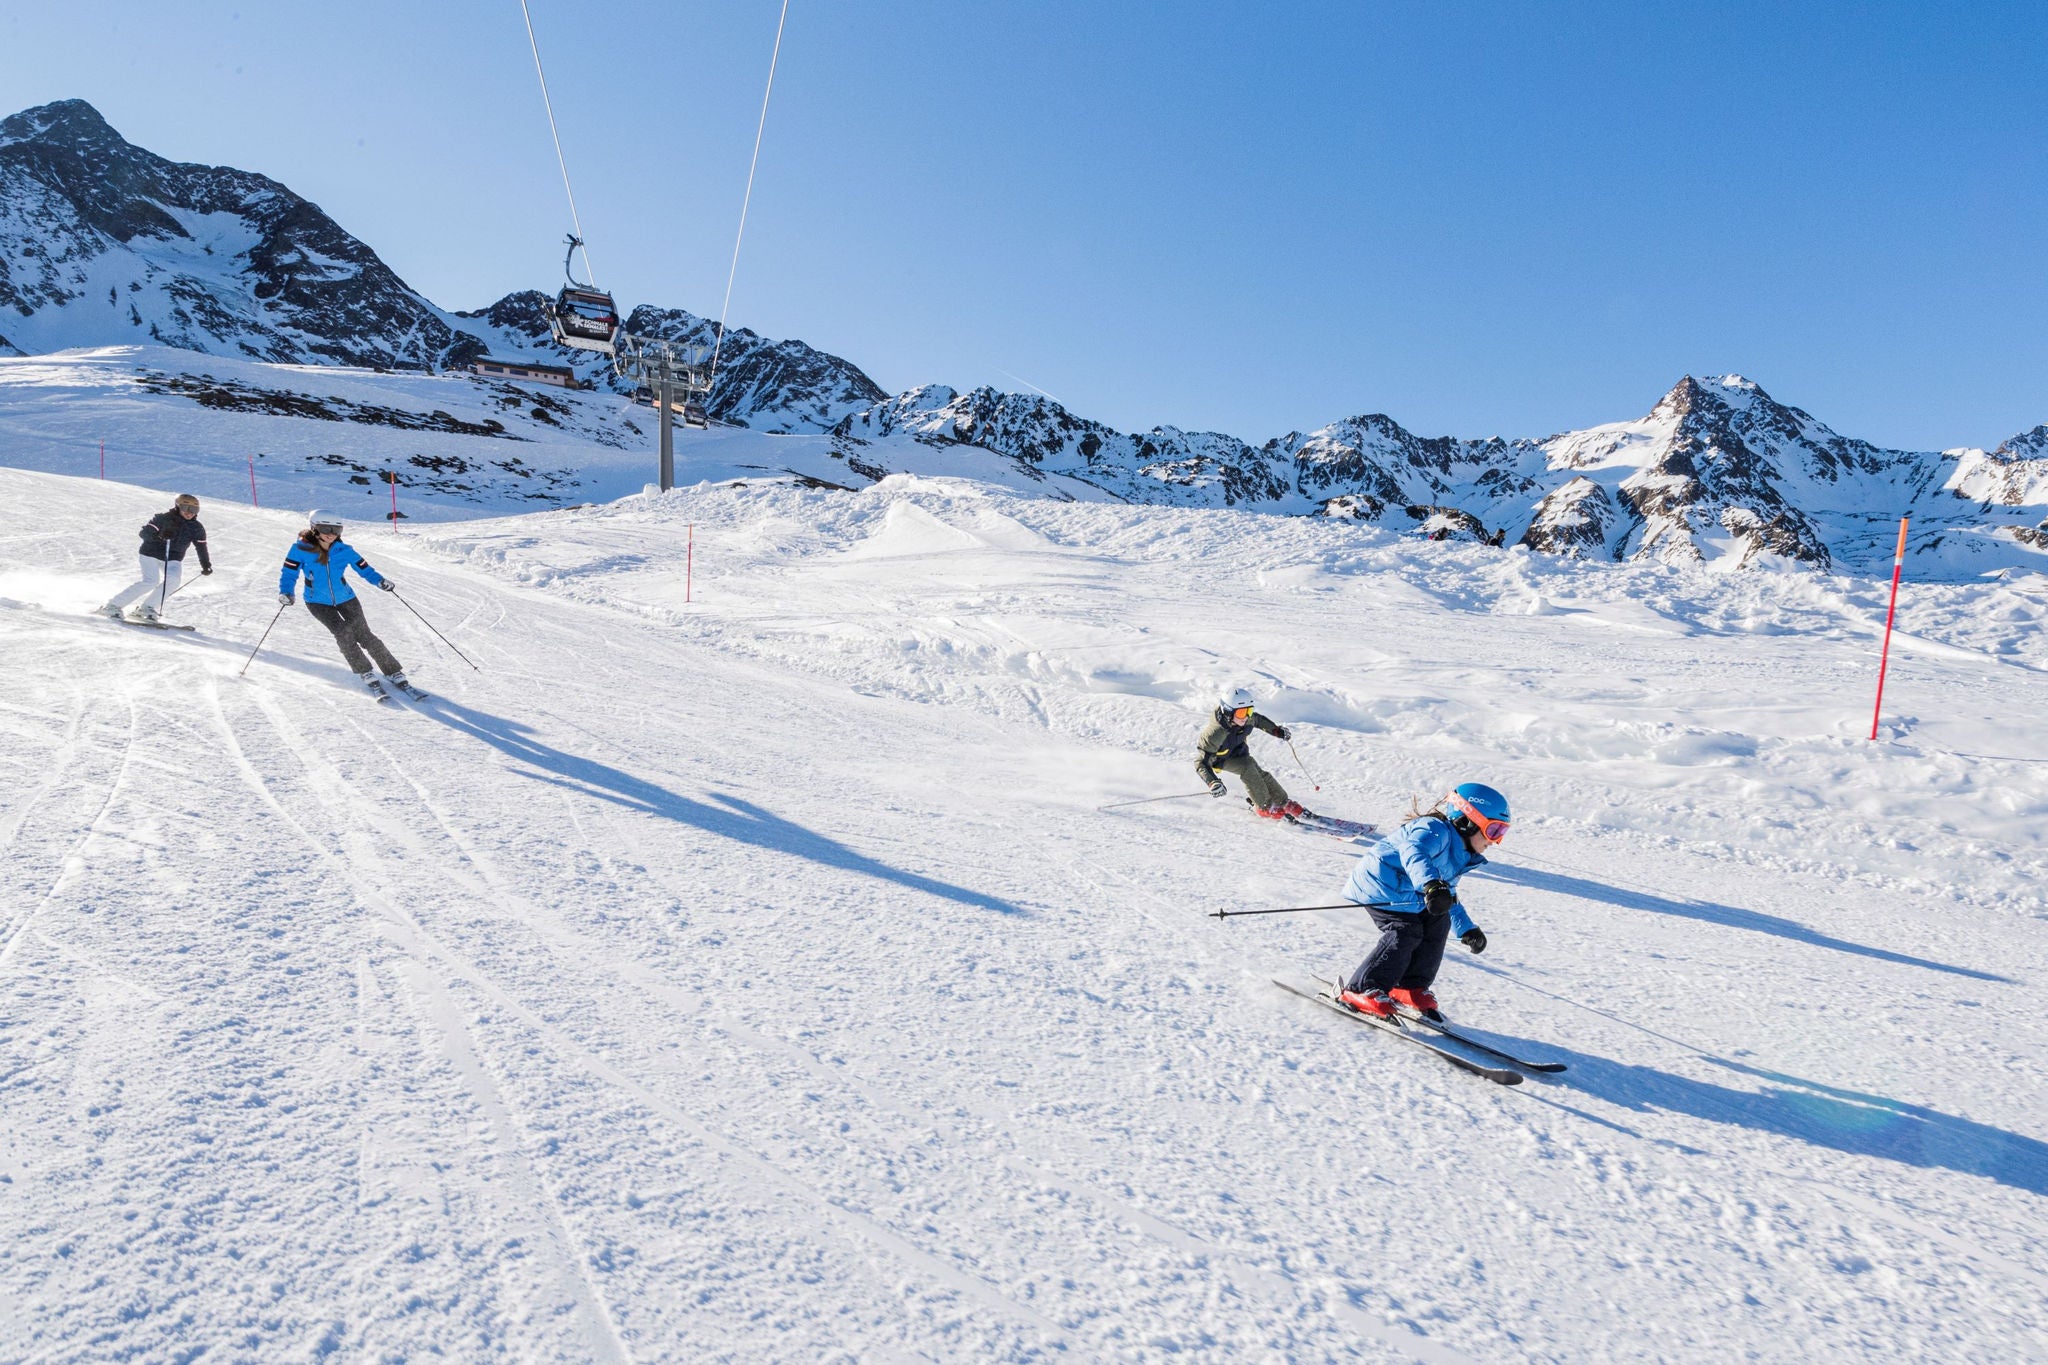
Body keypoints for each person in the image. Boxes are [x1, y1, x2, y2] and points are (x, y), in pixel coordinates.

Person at [1336, 782, 1510, 1020]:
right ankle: (1361, 988)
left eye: (1501, 833)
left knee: (1439, 923)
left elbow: (1447, 892)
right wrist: (1430, 884)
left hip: (1408, 894)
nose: (1494, 841)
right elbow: (1413, 852)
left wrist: (1466, 928)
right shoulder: (1433, 829)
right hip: (1380, 886)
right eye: (1493, 831)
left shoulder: (1461, 852)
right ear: (1467, 821)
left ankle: (1408, 987)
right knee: (1406, 931)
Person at [278, 511, 423, 702]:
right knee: (343, 633)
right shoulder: (299, 549)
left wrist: (380, 581)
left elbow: (364, 569)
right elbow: (289, 573)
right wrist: (286, 592)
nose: (331, 533)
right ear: (314, 528)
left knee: (364, 634)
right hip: (317, 602)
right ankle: (365, 672)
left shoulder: (344, 550)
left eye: (336, 529)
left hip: (346, 598)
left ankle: (393, 671)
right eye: (325, 528)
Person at [1195, 686, 1304, 820]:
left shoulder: (1245, 717)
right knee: (1247, 769)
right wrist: (1213, 782)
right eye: (1242, 713)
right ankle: (1264, 807)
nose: (1246, 717)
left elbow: (1258, 720)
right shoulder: (1215, 733)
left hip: (1238, 752)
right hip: (1219, 759)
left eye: (1249, 710)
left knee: (1257, 771)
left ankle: (1282, 801)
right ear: (1228, 712)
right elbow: (1200, 762)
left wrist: (1276, 730)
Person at [98, 492, 212, 621]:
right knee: (150, 581)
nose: (189, 512)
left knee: (173, 580)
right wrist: (159, 536)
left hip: (173, 558)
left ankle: (146, 608)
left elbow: (201, 547)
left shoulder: (196, 527)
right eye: (186, 509)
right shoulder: (163, 518)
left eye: (194, 509)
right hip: (150, 553)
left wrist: (206, 564)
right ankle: (112, 606)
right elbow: (144, 533)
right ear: (177, 507)